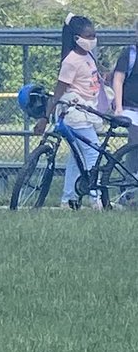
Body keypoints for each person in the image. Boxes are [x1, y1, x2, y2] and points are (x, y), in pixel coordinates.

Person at [34, 14, 103, 210]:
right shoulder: (71, 61)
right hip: (75, 113)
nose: (92, 40)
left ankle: (68, 199)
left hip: (89, 110)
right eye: (88, 36)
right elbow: (58, 92)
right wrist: (45, 117)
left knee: (76, 158)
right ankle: (95, 197)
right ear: (76, 38)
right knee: (92, 154)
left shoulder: (88, 56)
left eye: (94, 36)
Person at [112, 18, 138, 146]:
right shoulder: (130, 54)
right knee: (135, 143)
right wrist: (118, 107)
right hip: (131, 110)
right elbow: (118, 79)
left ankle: (130, 166)